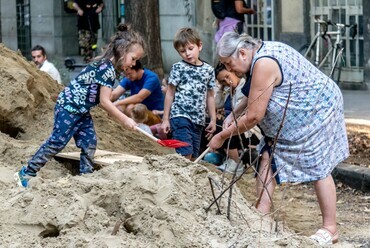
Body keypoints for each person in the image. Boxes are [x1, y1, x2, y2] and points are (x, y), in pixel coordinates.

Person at [207, 31, 349, 245]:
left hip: (317, 110)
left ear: (243, 53)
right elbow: (255, 92)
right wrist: (233, 113)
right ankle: (261, 213)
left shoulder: (263, 64)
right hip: (300, 114)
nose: (229, 69)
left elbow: (254, 116)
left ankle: (330, 228)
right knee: (268, 154)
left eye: (228, 63)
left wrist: (222, 136)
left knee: (318, 165)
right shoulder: (259, 54)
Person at [14, 23, 145, 188]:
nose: (133, 64)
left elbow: (104, 95)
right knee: (57, 142)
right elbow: (105, 102)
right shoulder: (107, 69)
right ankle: (26, 172)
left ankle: (86, 177)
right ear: (122, 50)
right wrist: (125, 119)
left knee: (89, 143)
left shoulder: (107, 66)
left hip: (81, 111)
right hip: (68, 107)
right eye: (133, 59)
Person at [161, 27, 217, 160]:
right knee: (185, 152)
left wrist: (213, 119)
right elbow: (170, 93)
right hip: (180, 116)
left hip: (198, 120)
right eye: (182, 51)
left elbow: (210, 96)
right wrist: (165, 119)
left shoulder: (208, 70)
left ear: (200, 46)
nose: (187, 53)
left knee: (194, 157)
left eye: (190, 49)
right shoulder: (178, 68)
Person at [213, 62, 260, 173]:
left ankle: (235, 162)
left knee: (222, 125)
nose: (227, 81)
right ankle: (229, 158)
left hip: (248, 131)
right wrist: (220, 87)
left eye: (227, 77)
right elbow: (216, 104)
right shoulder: (228, 91)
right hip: (235, 129)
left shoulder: (244, 88)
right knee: (211, 124)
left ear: (233, 72)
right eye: (222, 81)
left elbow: (240, 112)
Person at [110, 60, 164, 126]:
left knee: (130, 107)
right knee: (119, 107)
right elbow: (115, 94)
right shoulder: (129, 78)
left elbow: (139, 97)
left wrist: (117, 102)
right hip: (138, 111)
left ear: (137, 69)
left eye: (129, 74)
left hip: (154, 114)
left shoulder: (151, 78)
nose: (127, 76)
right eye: (125, 74)